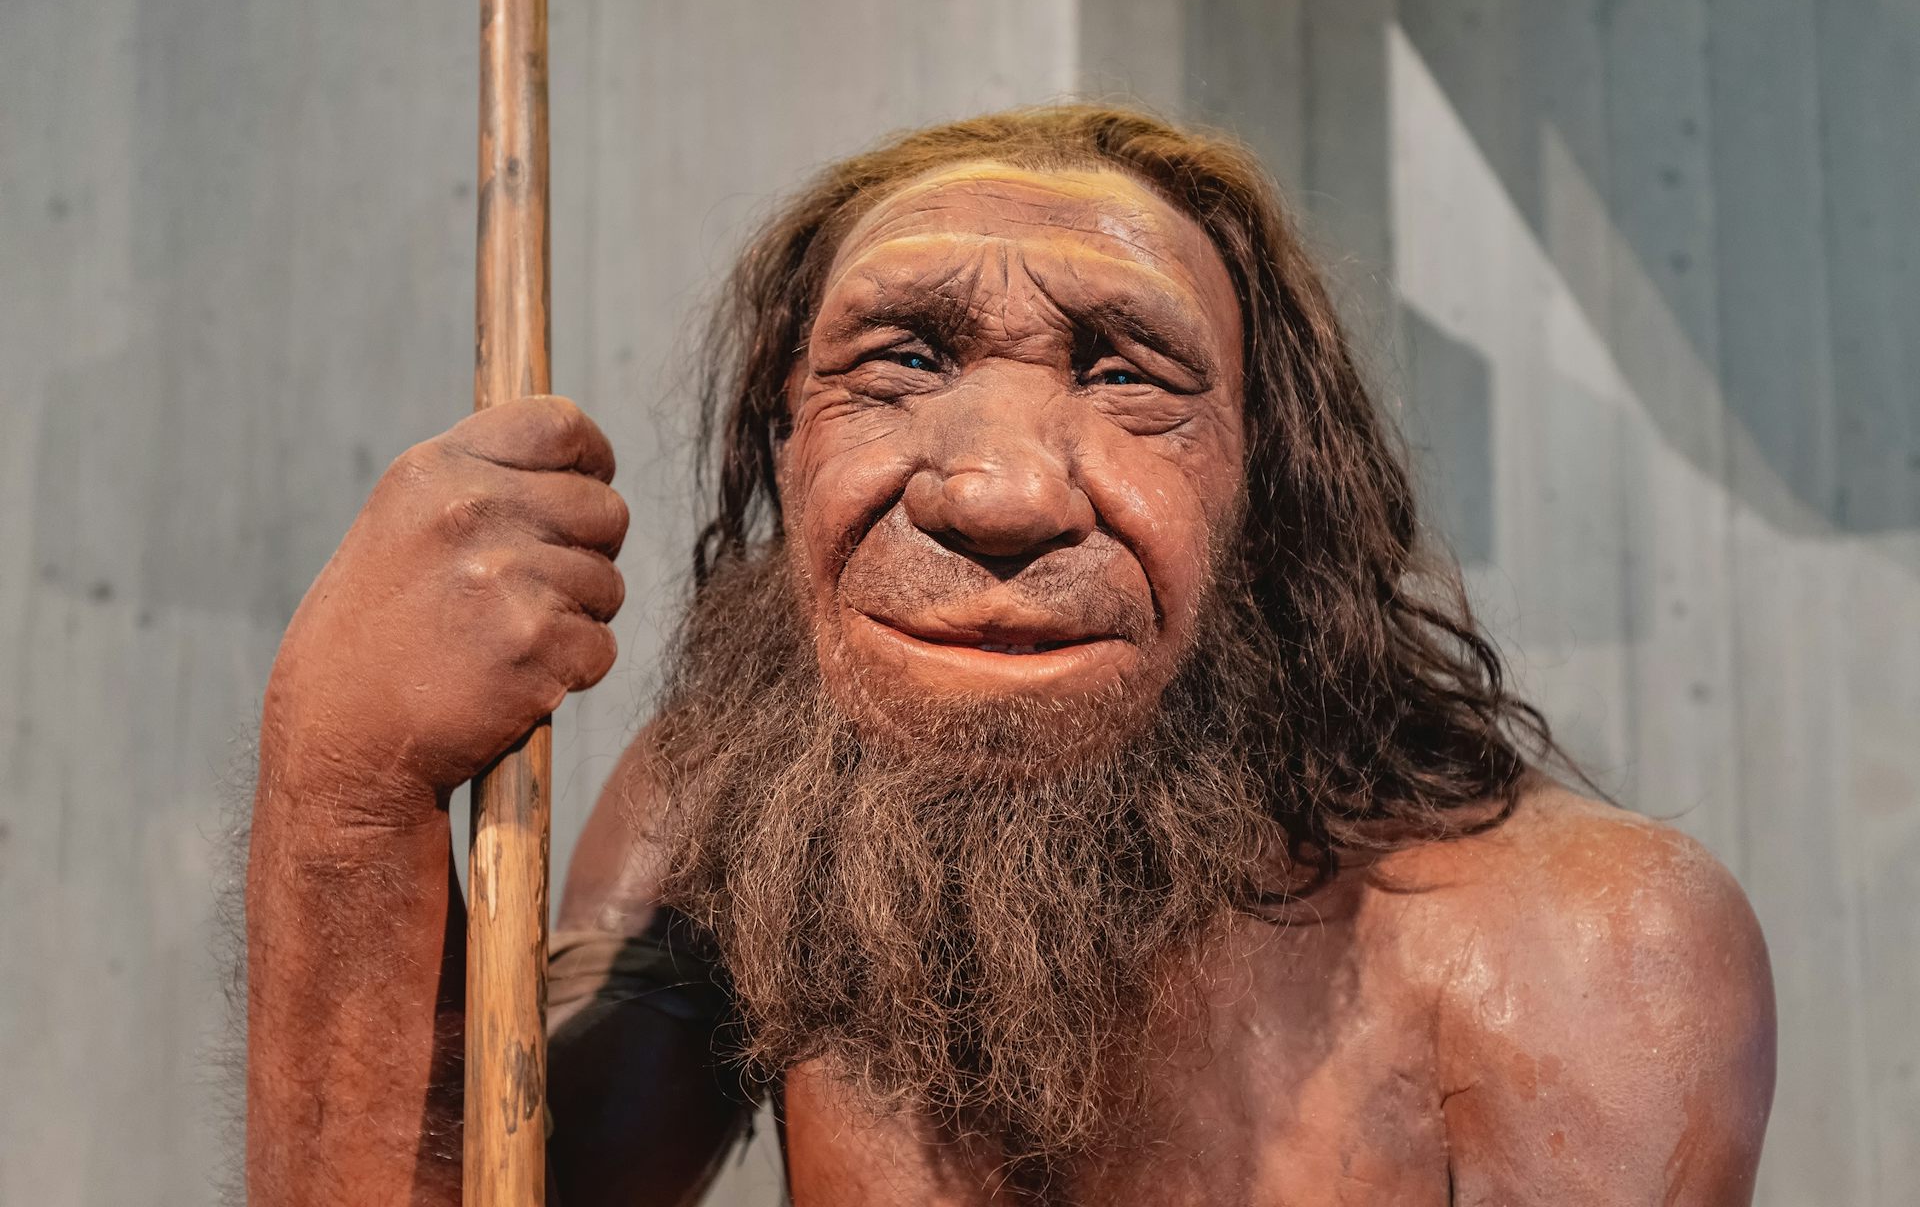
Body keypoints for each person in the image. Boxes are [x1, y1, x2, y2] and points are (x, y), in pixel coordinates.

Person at [245, 106, 1775, 1206]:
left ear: (1272, 493)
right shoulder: (734, 811)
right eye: (903, 357)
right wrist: (344, 794)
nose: (998, 493)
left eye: (1127, 375)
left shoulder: (1586, 957)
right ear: (787, 444)